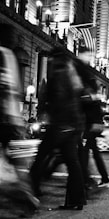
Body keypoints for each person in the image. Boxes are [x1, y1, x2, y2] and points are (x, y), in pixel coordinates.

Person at [29, 47, 86, 210]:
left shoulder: (60, 73)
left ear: (56, 58)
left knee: (40, 158)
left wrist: (49, 113)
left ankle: (29, 194)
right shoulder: (71, 72)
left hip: (61, 124)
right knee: (72, 163)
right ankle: (76, 200)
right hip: (73, 124)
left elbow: (59, 98)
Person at [0, 23, 39, 211]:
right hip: (10, 119)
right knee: (16, 162)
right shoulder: (9, 56)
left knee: (14, 161)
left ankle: (23, 196)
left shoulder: (4, 55)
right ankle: (25, 196)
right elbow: (13, 89)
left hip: (5, 117)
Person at [75, 46, 109, 189]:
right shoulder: (86, 73)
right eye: (89, 55)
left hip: (89, 122)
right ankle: (104, 178)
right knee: (94, 152)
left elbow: (88, 100)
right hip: (93, 122)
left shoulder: (83, 72)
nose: (90, 58)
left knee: (83, 152)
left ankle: (85, 180)